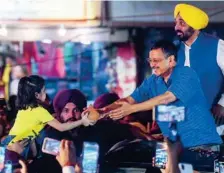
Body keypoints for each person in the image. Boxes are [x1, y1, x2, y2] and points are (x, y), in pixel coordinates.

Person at [99, 40, 221, 146]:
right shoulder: (152, 82)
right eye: (150, 60)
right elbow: (128, 100)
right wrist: (102, 111)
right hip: (173, 147)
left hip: (201, 144)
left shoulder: (186, 74)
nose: (152, 65)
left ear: (171, 60)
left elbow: (167, 98)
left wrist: (131, 109)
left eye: (156, 60)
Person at [2, 75, 94, 159]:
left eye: (76, 110)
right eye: (66, 110)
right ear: (37, 95)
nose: (71, 115)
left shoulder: (26, 109)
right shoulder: (48, 133)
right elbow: (61, 127)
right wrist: (82, 121)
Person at [174, 4, 224, 124]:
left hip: (215, 125)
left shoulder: (217, 46)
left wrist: (222, 104)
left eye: (182, 23)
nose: (176, 27)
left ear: (194, 25)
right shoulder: (175, 51)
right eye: (176, 23)